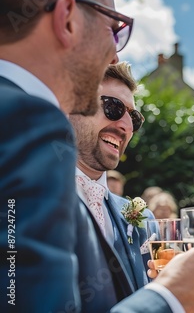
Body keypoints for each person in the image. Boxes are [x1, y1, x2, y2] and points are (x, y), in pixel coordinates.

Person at [0, 0, 194, 312]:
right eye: (114, 30)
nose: (114, 52)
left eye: (135, 118)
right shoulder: (26, 121)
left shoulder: (133, 215)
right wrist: (170, 297)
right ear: (67, 18)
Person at [69, 62, 155, 290]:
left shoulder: (146, 221)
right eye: (113, 107)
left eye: (135, 119)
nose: (127, 126)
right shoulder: (20, 201)